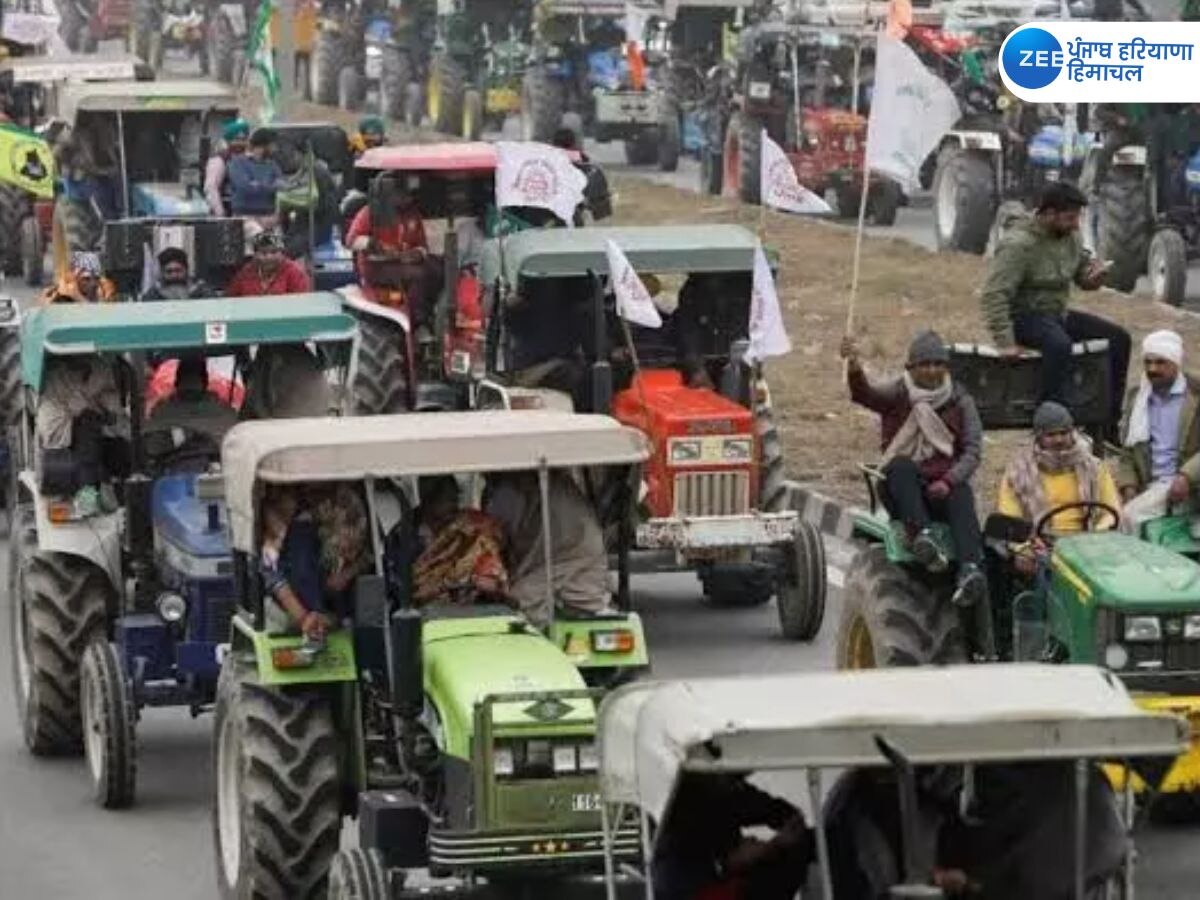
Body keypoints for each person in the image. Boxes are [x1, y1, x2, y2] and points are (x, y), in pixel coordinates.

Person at [842, 330, 988, 608]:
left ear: (946, 368)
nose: (931, 371)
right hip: (903, 489)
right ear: (911, 368)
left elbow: (972, 451)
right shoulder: (898, 393)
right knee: (900, 467)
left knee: (962, 493)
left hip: (943, 486)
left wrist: (948, 480)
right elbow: (865, 394)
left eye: (938, 364)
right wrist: (854, 366)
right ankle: (923, 538)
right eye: (924, 365)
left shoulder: (960, 401)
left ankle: (970, 569)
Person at [979, 181, 1131, 440]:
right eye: (1070, 218)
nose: (1076, 225)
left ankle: (1105, 424)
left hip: (1056, 315)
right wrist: (1004, 341)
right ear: (1048, 214)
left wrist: (1092, 277)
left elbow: (1080, 274)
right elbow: (995, 295)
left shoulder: (1070, 237)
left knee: (1118, 339)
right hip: (1024, 317)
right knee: (1059, 345)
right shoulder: (1019, 245)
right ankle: (1049, 420)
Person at [997, 403, 1122, 569]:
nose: (1059, 440)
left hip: (1088, 540)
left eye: (1064, 433)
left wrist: (1096, 535)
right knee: (1025, 561)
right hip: (1040, 544)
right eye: (1051, 435)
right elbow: (1009, 518)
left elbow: (1111, 510)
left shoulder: (1094, 467)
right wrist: (1026, 545)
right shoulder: (1018, 472)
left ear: (1072, 432)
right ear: (1039, 437)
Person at [653, 772, 813, 900]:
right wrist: (727, 863)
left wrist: (790, 819)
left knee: (803, 845)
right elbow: (666, 879)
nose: (738, 783)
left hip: (735, 880)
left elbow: (763, 806)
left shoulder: (726, 791)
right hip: (702, 889)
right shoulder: (673, 806)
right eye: (733, 777)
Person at [484, 469, 612, 628]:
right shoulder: (556, 485)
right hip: (572, 555)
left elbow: (498, 529)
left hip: (565, 555)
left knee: (518, 601)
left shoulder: (515, 490)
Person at [260, 481, 373, 640]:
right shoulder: (285, 507)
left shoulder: (349, 502)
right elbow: (272, 572)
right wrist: (304, 617)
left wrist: (347, 573)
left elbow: (369, 553)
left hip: (337, 602)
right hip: (291, 608)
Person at [1115, 330, 1200, 531]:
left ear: (1176, 363)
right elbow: (1127, 450)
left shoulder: (1195, 395)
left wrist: (1186, 476)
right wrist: (1128, 485)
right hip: (1151, 484)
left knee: (1128, 518)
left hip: (1188, 484)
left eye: (1161, 362)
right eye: (1148, 362)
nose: (1152, 369)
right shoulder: (1138, 398)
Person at [36, 347, 129, 517]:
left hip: (89, 431)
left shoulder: (101, 369)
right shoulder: (55, 374)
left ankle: (95, 502)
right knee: (84, 463)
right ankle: (88, 503)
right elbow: (63, 403)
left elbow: (111, 402)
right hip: (62, 429)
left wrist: (109, 413)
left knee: (95, 459)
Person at [344, 174, 440, 331]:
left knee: (435, 268)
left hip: (406, 263)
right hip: (377, 267)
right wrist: (373, 244)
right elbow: (351, 241)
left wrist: (416, 253)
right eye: (402, 194)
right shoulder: (370, 213)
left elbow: (422, 245)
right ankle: (418, 320)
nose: (407, 198)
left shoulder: (412, 215)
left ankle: (426, 318)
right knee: (418, 275)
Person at [412, 476, 510, 606]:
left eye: (455, 498)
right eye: (446, 499)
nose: (454, 505)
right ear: (428, 500)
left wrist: (482, 581)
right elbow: (402, 587)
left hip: (472, 609)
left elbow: (492, 580)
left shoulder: (473, 527)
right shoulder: (405, 533)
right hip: (424, 613)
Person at [143, 356, 239, 473]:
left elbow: (150, 447)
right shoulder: (225, 411)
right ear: (205, 381)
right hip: (219, 475)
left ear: (177, 381)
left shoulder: (161, 411)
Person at [225, 229, 312, 297]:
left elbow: (301, 304)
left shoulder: (295, 273)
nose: (269, 257)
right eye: (263, 253)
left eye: (274, 252)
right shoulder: (245, 272)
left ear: (282, 253)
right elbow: (231, 300)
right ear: (255, 254)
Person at [226, 127, 282, 217]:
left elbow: (281, 185)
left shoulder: (272, 164)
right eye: (273, 145)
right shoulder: (238, 162)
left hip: (269, 216)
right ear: (263, 145)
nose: (276, 149)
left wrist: (257, 184)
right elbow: (245, 187)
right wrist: (271, 186)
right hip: (244, 216)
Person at [204, 118, 250, 216]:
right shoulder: (219, 160)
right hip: (228, 213)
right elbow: (211, 188)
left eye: (244, 139)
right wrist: (220, 214)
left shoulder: (249, 160)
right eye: (237, 139)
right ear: (229, 141)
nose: (241, 143)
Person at [42, 251, 117, 304]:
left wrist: (78, 297)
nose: (93, 283)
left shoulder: (104, 291)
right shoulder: (59, 295)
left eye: (96, 278)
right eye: (86, 279)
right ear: (74, 278)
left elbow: (101, 320)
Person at [140, 247, 212, 301]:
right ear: (162, 273)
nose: (174, 275)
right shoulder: (153, 296)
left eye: (178, 270)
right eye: (169, 271)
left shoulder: (203, 293)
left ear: (187, 270)